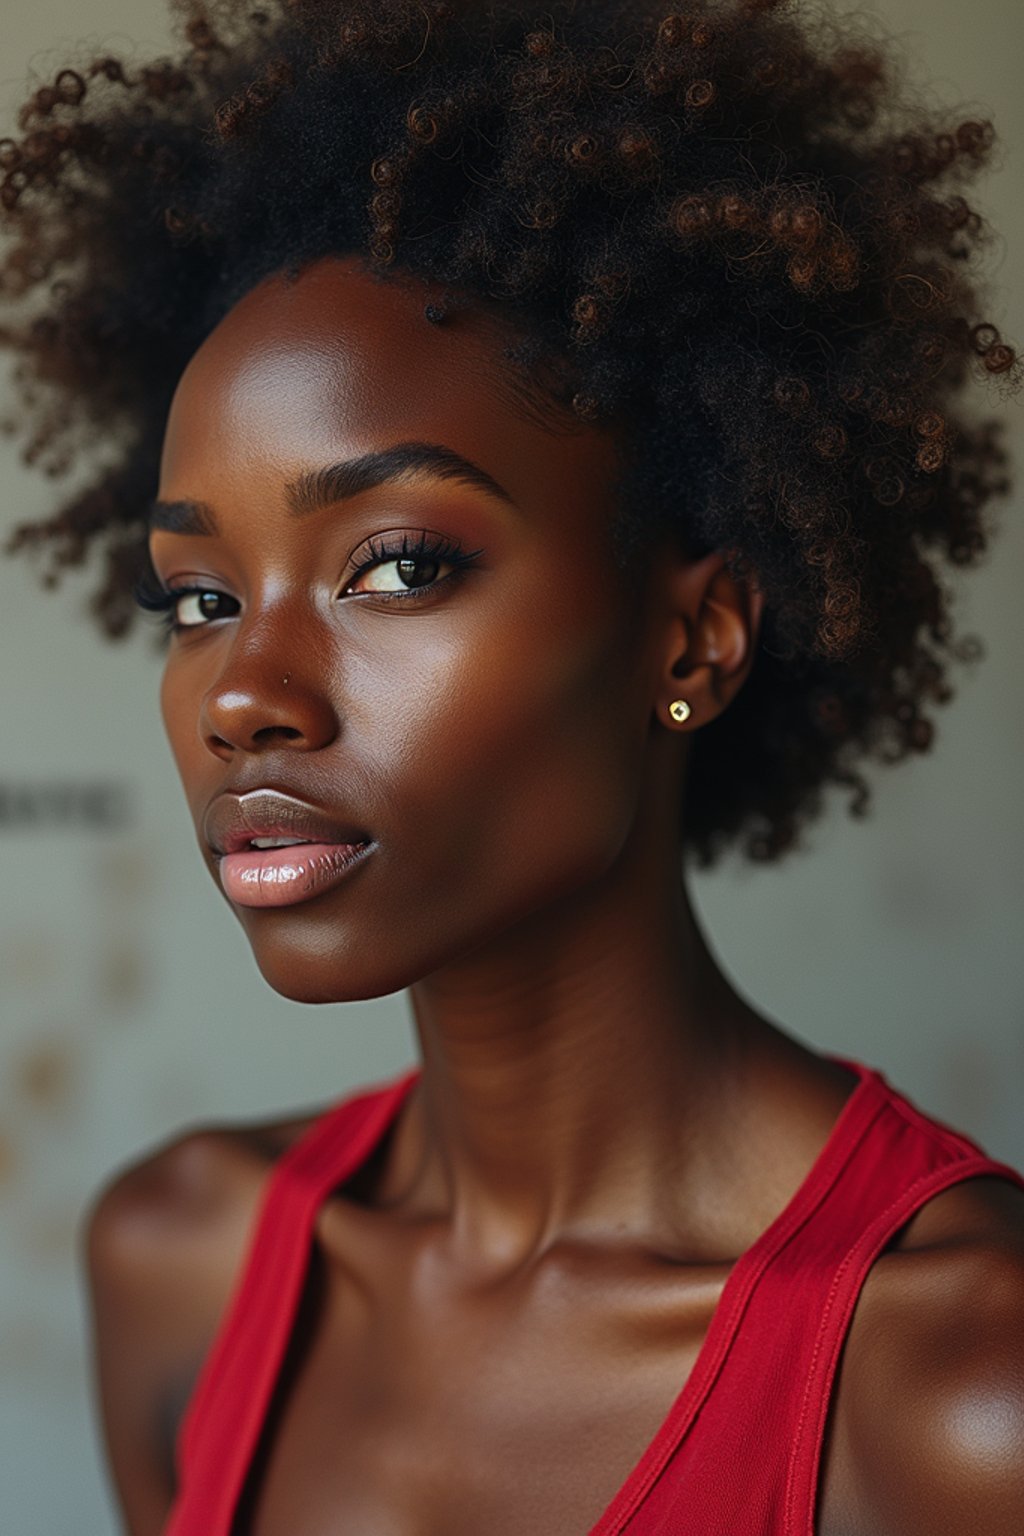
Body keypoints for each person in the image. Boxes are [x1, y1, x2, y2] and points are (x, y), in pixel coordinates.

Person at [2, 1, 1022, 1532]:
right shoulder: (181, 1265)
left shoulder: (958, 1382)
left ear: (695, 641)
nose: (245, 698)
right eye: (202, 600)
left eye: (399, 566)